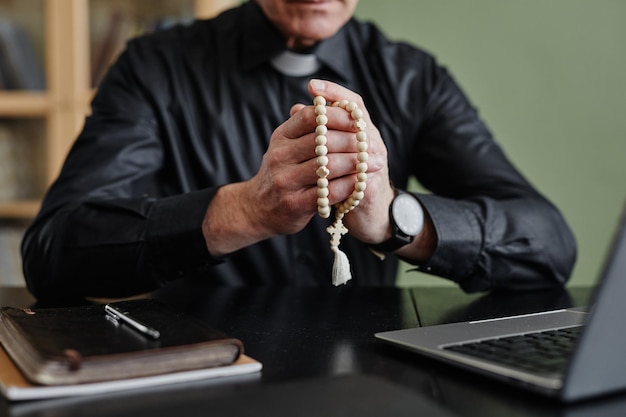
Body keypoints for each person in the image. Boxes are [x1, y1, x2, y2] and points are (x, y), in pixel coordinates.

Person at [22, 0, 576, 300]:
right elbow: (52, 254)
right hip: (205, 370)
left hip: (369, 373)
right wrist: (243, 211)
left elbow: (548, 244)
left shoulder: (412, 78)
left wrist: (392, 218)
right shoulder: (154, 68)